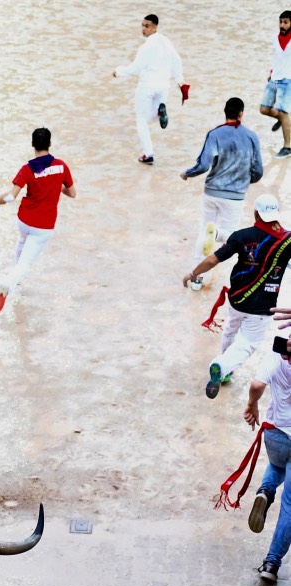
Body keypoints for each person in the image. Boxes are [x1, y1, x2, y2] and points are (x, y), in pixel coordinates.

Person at [184, 194, 291, 398]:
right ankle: (222, 366)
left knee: (231, 330)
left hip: (237, 300)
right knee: (247, 343)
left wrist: (193, 274)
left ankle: (224, 372)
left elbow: (213, 260)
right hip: (262, 308)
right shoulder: (288, 241)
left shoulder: (241, 236)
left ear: (256, 213)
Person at [0, 127, 76, 313]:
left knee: (22, 243)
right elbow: (72, 193)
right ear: (50, 144)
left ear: (33, 144)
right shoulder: (61, 166)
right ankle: (8, 285)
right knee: (26, 263)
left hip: (24, 220)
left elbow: (10, 197)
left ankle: (17, 282)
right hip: (44, 226)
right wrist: (58, 187)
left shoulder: (27, 169)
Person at [181, 98, 263, 268]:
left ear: (225, 113)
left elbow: (203, 165)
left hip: (212, 192)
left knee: (204, 230)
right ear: (241, 113)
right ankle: (218, 239)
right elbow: (258, 171)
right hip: (235, 196)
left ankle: (197, 277)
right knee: (231, 237)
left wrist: (187, 173)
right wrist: (246, 181)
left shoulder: (215, 134)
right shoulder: (251, 136)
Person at [243, 334, 291, 581]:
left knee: (277, 463)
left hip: (275, 432)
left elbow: (256, 385)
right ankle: (271, 565)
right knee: (290, 506)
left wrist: (252, 405)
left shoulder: (276, 355)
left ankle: (266, 490)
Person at [113, 14, 185, 165]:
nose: (143, 29)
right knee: (151, 117)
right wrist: (180, 81)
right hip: (163, 86)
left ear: (155, 27)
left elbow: (134, 69)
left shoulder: (146, 47)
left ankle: (148, 154)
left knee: (141, 119)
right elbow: (177, 60)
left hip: (147, 86)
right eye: (142, 25)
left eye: (147, 26)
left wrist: (118, 72)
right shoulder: (166, 41)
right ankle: (160, 112)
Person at [259, 11, 291, 158]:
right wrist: (271, 72)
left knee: (284, 112)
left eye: (286, 22)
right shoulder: (274, 38)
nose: (282, 25)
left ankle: (288, 147)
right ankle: (283, 120)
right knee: (264, 109)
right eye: (281, 22)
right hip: (274, 78)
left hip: (288, 80)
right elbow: (277, 57)